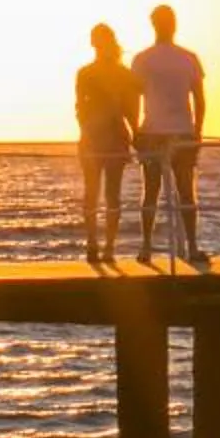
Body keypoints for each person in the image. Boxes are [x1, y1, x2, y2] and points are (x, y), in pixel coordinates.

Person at [132, 2, 207, 264]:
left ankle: (146, 247)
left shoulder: (142, 59)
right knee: (185, 192)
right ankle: (192, 247)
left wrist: (135, 130)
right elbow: (200, 100)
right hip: (181, 133)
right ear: (172, 25)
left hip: (154, 132)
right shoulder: (189, 58)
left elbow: (133, 97)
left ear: (154, 25)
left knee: (151, 191)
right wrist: (197, 132)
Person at [73, 23, 142, 264]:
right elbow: (79, 107)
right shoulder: (87, 73)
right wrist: (86, 131)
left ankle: (107, 246)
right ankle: (95, 244)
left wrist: (135, 133)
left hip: (112, 139)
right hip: (95, 139)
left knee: (108, 194)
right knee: (95, 194)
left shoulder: (121, 74)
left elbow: (131, 109)